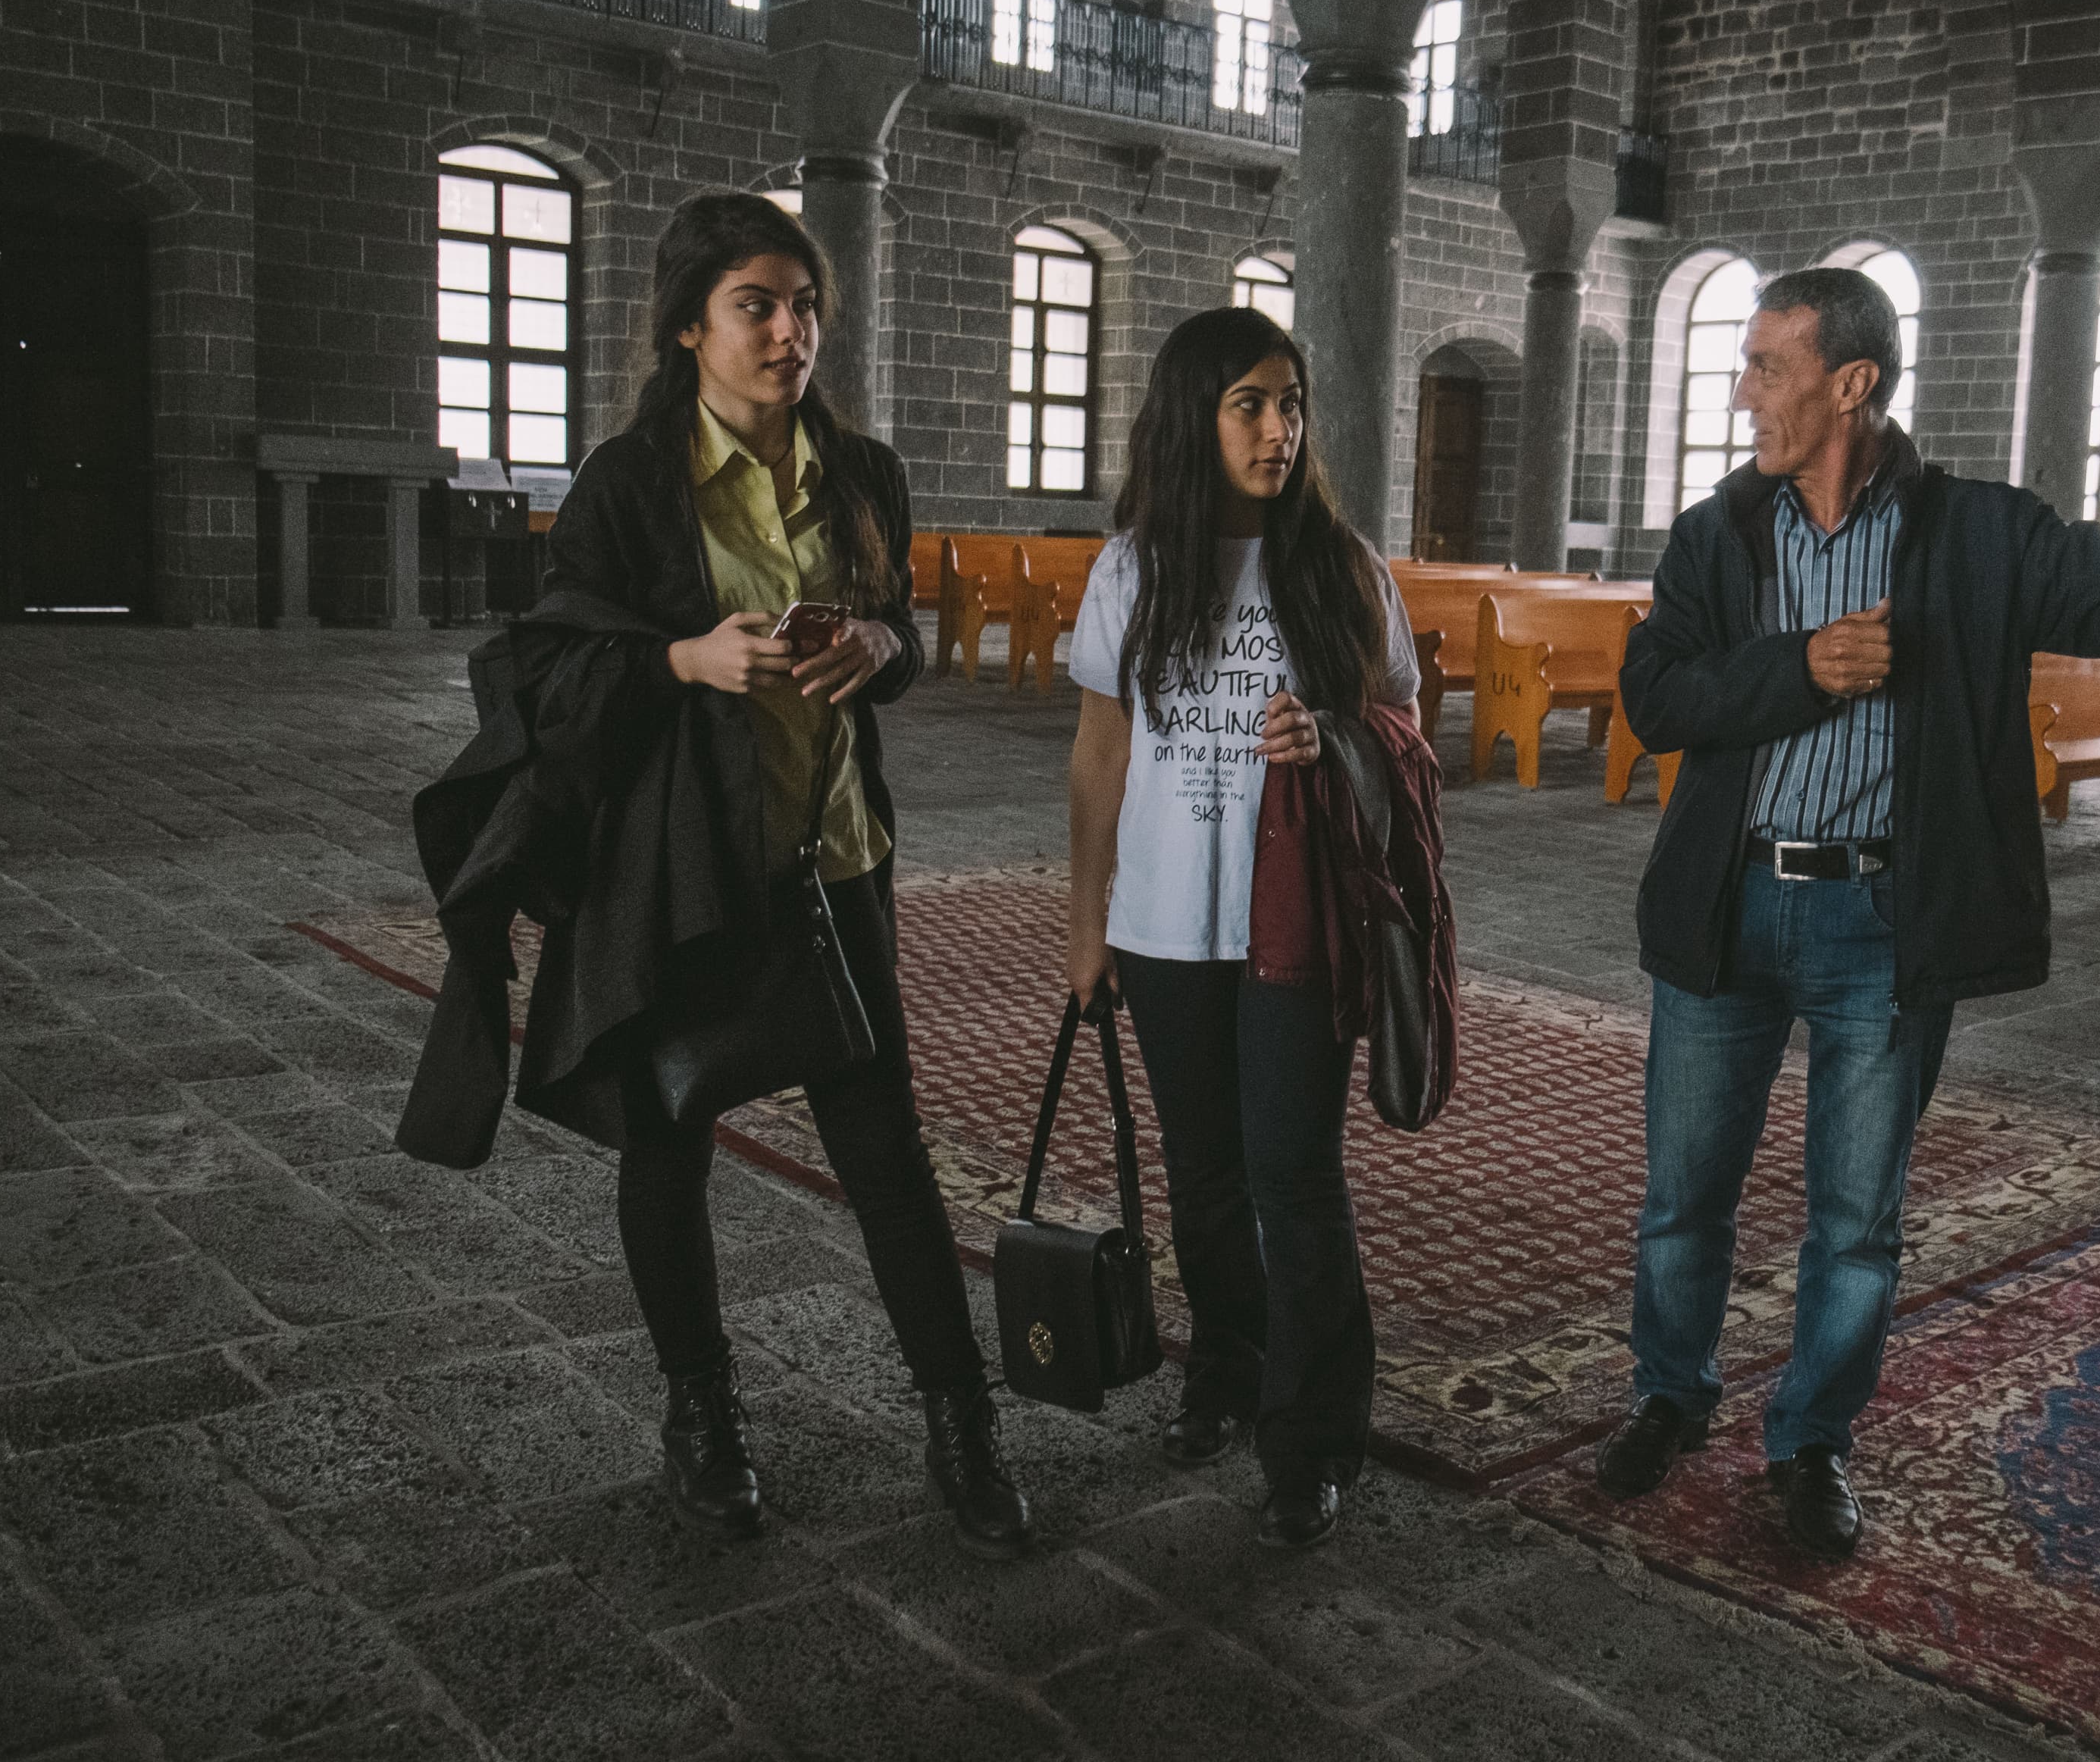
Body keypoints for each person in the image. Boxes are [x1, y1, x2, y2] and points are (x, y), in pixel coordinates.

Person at [1600, 265, 2100, 1560]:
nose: (1742, 394)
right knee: (1684, 1195)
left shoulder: (1979, 532)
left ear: (1850, 384)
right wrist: (1803, 668)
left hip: (1882, 922)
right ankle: (1668, 1397)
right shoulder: (1717, 534)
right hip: (1728, 910)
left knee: (1857, 1221)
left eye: (1765, 367)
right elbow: (1658, 699)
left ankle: (1810, 1442)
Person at [409, 194, 1030, 1557]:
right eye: (757, 305)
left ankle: (962, 1424)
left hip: (834, 854)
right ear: (690, 324)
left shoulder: (861, 472)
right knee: (669, 1136)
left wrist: (880, 646)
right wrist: (683, 660)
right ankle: (702, 1413)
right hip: (683, 867)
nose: (789, 332)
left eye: (805, 307)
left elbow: (902, 633)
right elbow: (548, 667)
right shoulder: (630, 483)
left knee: (885, 1149)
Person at [1063, 306, 1424, 1550]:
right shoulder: (1132, 570)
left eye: (1292, 405)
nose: (1281, 431)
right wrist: (1087, 923)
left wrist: (1331, 736)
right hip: (1165, 923)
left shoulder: (1342, 567)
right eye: (1250, 406)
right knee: (1205, 1175)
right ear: (1193, 418)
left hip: (1294, 925)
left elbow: (1405, 732)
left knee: (1294, 1174)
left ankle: (1313, 1439)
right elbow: (1099, 753)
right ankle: (1226, 1366)